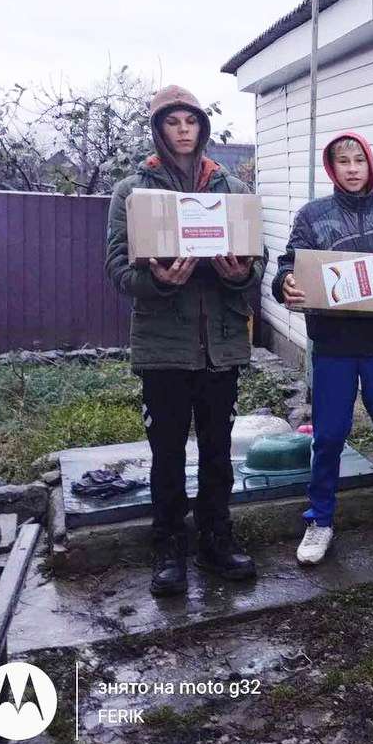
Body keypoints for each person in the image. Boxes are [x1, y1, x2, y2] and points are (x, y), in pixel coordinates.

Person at [105, 84, 266, 597]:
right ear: (158, 129)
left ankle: (216, 539)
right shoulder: (133, 192)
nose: (182, 130)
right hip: (164, 345)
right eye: (172, 122)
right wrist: (160, 281)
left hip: (221, 342)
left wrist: (238, 272)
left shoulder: (233, 189)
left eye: (190, 121)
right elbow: (116, 268)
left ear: (202, 127)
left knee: (218, 450)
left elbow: (255, 266)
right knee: (167, 451)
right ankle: (169, 546)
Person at [275, 134, 373, 564]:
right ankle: (320, 519)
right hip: (333, 344)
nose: (351, 168)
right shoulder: (312, 215)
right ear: (331, 167)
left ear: (369, 163)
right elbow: (289, 263)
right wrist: (284, 282)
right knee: (328, 436)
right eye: (342, 161)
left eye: (358, 159)